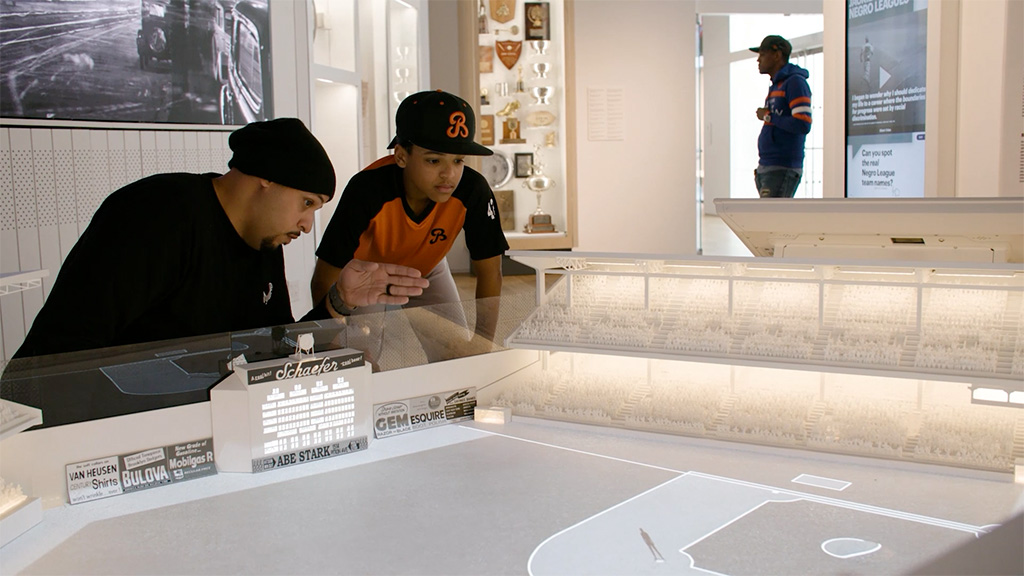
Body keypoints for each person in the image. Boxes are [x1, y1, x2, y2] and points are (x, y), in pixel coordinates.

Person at [13, 118, 428, 359]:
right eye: (306, 203)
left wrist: (338, 303)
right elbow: (66, 346)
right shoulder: (157, 213)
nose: (305, 226)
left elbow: (275, 349)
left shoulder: (263, 241)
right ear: (266, 178)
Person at [311, 90, 509, 356]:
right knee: (362, 367)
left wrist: (483, 343)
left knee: (456, 356)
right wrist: (332, 344)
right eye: (434, 160)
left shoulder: (472, 190)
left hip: (426, 267)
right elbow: (324, 277)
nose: (448, 174)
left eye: (458, 160)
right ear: (402, 155)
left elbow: (490, 272)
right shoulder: (367, 189)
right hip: (366, 277)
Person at [750, 35, 812, 198]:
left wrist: (769, 117)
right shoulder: (776, 85)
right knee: (768, 221)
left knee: (771, 221)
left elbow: (803, 124)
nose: (759, 60)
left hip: (782, 167)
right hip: (767, 165)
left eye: (763, 54)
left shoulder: (795, 83)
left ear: (777, 55)